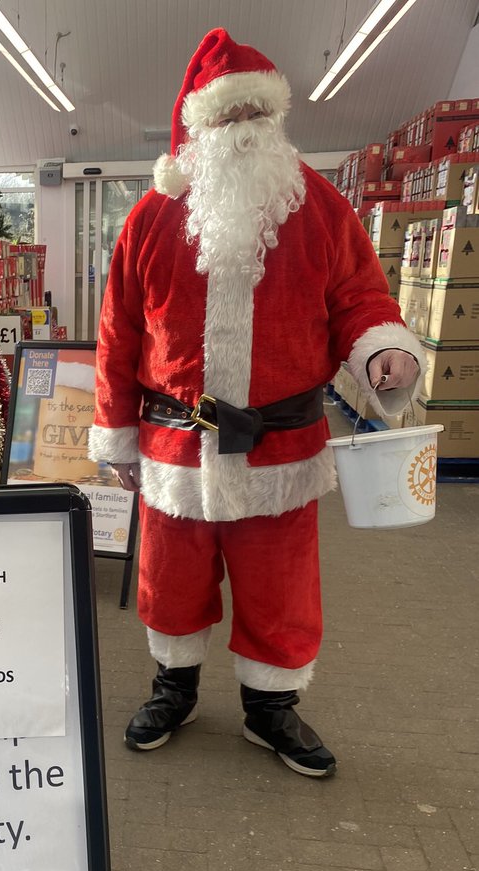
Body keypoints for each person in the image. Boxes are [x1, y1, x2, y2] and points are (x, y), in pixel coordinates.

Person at [88, 28, 422, 778]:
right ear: (196, 129)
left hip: (281, 448)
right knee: (169, 582)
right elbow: (117, 335)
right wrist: (113, 434)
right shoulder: (148, 220)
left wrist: (383, 351)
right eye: (226, 120)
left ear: (275, 123)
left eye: (254, 119)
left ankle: (270, 709)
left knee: (281, 586)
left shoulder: (323, 209)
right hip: (176, 446)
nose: (241, 136)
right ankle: (173, 687)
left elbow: (360, 300)